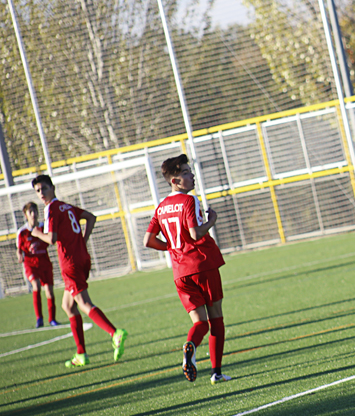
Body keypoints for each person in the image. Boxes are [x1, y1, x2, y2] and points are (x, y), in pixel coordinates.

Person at [143, 154, 231, 384]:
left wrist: (172, 248)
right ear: (174, 180)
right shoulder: (189, 200)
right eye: (185, 173)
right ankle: (217, 372)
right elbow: (195, 233)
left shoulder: (161, 208)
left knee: (199, 323)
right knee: (216, 319)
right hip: (203, 264)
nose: (191, 175)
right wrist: (212, 220)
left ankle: (190, 346)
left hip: (180, 272)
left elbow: (148, 240)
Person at [30, 175, 127, 367]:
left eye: (44, 189)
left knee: (83, 302)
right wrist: (83, 240)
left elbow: (52, 239)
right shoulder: (66, 206)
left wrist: (36, 232)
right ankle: (81, 354)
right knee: (68, 305)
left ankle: (114, 333)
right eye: (38, 191)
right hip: (82, 257)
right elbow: (91, 217)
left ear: (52, 188)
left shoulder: (51, 208)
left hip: (70, 262)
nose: (41, 193)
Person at [17, 201, 58, 328]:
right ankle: (39, 318)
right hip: (30, 264)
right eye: (30, 212)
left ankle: (52, 319)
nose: (33, 214)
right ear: (26, 215)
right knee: (36, 286)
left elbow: (51, 240)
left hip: (44, 262)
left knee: (49, 292)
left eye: (35, 211)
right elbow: (19, 249)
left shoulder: (43, 227)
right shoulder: (22, 232)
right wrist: (19, 255)